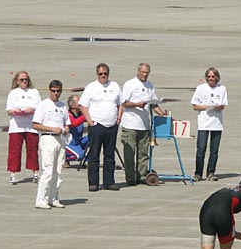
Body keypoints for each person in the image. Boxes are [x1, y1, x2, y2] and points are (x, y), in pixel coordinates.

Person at [120, 63, 167, 186]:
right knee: (129, 154)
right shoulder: (130, 84)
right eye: (143, 72)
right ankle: (130, 177)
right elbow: (123, 102)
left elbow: (153, 104)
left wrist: (163, 114)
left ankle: (141, 176)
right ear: (138, 71)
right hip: (130, 124)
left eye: (147, 72)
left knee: (143, 153)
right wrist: (136, 104)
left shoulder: (150, 86)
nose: (145, 74)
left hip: (144, 125)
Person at [79, 63, 122, 192]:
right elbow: (83, 106)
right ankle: (93, 182)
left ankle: (109, 182)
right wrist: (90, 122)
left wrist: (119, 118)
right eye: (100, 74)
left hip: (111, 126)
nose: (103, 76)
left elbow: (121, 103)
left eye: (105, 74)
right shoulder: (91, 87)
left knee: (109, 155)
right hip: (97, 125)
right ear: (97, 74)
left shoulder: (114, 86)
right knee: (94, 155)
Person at [32, 80, 70, 209]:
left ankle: (53, 198)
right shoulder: (43, 105)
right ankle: (40, 199)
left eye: (58, 91)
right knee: (48, 171)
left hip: (60, 139)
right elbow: (36, 124)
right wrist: (51, 129)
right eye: (53, 91)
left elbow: (67, 123)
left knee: (57, 171)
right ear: (50, 91)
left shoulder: (63, 106)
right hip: (48, 138)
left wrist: (66, 128)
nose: (56, 93)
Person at [191, 67, 228, 182]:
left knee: (214, 150)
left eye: (213, 76)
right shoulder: (201, 88)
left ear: (217, 77)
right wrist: (207, 106)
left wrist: (218, 107)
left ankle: (211, 172)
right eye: (209, 77)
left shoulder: (222, 89)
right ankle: (198, 173)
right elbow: (195, 106)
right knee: (201, 149)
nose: (211, 79)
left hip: (216, 124)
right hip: (204, 124)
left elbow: (223, 105)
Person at [5, 70, 41, 184]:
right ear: (17, 81)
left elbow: (39, 108)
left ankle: (35, 173)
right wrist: (15, 111)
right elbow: (8, 111)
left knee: (33, 149)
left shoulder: (34, 92)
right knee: (14, 151)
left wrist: (32, 109)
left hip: (31, 125)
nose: (24, 81)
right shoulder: (13, 93)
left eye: (26, 79)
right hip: (16, 126)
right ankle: (13, 173)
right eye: (22, 80)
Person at [64, 94, 89, 168]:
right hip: (69, 144)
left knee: (95, 137)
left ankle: (88, 159)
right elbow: (74, 123)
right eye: (79, 101)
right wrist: (86, 114)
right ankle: (65, 158)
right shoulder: (68, 115)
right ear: (73, 105)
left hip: (78, 142)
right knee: (80, 155)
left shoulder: (80, 114)